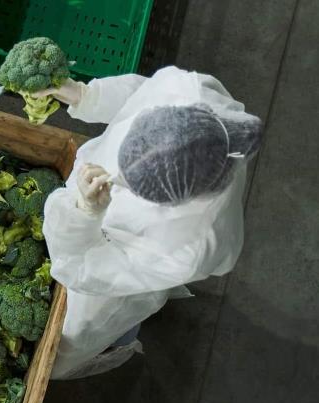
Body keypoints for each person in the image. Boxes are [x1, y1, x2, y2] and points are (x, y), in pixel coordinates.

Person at [35, 67, 263, 379]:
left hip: (117, 282)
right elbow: (138, 94)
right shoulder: (190, 91)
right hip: (99, 240)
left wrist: (82, 215)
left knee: (79, 335)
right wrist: (87, 95)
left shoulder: (190, 245)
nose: (116, 178)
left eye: (131, 186)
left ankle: (119, 343)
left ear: (173, 200)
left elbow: (85, 268)